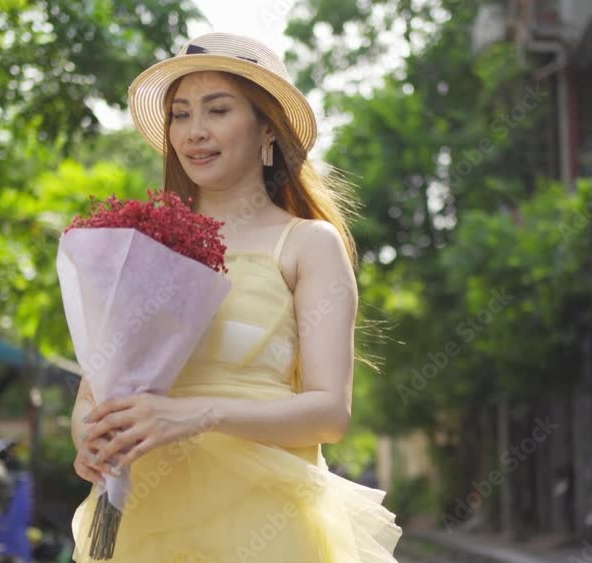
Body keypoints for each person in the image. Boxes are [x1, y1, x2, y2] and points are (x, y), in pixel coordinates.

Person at [68, 32, 402, 562]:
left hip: (268, 525)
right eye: (180, 114)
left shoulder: (308, 244)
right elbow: (95, 389)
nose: (195, 132)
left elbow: (328, 413)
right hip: (146, 525)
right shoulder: (144, 245)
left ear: (267, 125)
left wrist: (190, 415)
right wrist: (89, 438)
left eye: (217, 110)